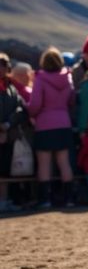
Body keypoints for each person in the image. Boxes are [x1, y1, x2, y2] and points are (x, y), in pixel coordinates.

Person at [28, 48, 77, 207]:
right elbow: (71, 101)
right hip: (64, 123)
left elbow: (35, 104)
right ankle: (69, 198)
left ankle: (45, 200)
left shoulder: (40, 79)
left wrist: (30, 113)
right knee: (64, 162)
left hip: (44, 124)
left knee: (44, 163)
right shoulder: (68, 78)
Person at [0, 53, 28, 212]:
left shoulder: (11, 88)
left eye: (3, 66)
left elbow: (20, 108)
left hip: (8, 134)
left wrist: (8, 124)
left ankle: (4, 200)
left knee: (5, 170)